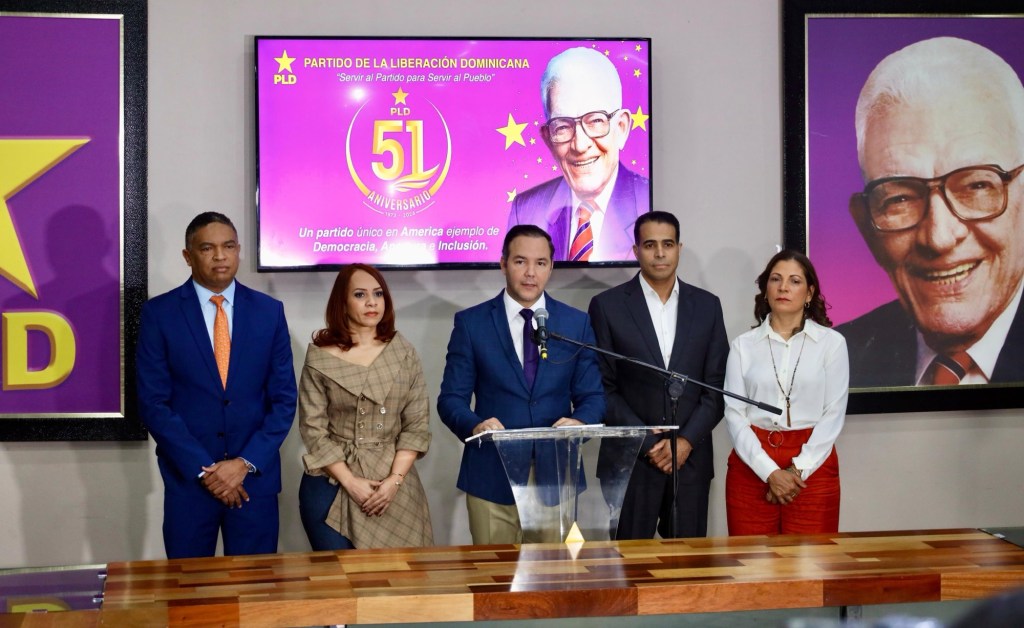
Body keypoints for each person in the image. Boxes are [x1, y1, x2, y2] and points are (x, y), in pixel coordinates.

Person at [839, 36, 1024, 387]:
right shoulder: (838, 359)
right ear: (866, 225)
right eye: (900, 199)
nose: (938, 238)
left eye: (976, 186)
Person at [136, 212, 297, 559]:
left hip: (253, 481)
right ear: (188, 256)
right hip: (190, 482)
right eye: (207, 248)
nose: (220, 256)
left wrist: (244, 463)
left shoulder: (269, 312)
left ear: (239, 250)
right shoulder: (160, 314)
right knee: (189, 588)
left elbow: (284, 400)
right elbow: (153, 403)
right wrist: (206, 472)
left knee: (255, 586)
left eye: (229, 246)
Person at [437, 224, 606, 544]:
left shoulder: (575, 323)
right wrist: (475, 426)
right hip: (491, 474)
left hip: (556, 475)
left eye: (540, 263)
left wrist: (580, 423)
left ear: (551, 267)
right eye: (520, 261)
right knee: (493, 570)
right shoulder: (472, 323)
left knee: (554, 571)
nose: (530, 273)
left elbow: (593, 397)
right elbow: (451, 400)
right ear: (503, 264)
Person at [587, 211, 728, 539]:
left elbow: (716, 387)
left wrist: (685, 441)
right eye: (650, 245)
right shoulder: (607, 306)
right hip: (630, 460)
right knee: (629, 561)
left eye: (668, 244)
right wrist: (648, 443)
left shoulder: (707, 306)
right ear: (636, 251)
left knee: (688, 563)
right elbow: (602, 387)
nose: (660, 253)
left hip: (690, 460)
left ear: (679, 248)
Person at [297, 264, 432, 550]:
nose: (372, 302)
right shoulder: (320, 358)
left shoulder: (403, 352)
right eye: (360, 294)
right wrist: (350, 482)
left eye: (378, 294)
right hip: (332, 481)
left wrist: (394, 481)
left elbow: (417, 424)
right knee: (337, 574)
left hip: (394, 484)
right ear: (342, 302)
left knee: (402, 574)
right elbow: (313, 429)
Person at [723, 250, 848, 535]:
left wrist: (796, 471)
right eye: (775, 279)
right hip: (752, 463)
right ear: (765, 289)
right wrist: (769, 472)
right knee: (751, 560)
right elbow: (734, 414)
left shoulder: (832, 344)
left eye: (794, 281)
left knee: (812, 559)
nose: (783, 287)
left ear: (809, 293)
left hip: (813, 465)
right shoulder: (743, 346)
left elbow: (834, 414)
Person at [506, 46, 649, 262]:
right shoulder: (525, 211)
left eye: (596, 121)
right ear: (548, 138)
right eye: (563, 126)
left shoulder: (647, 203)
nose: (580, 145)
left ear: (621, 128)